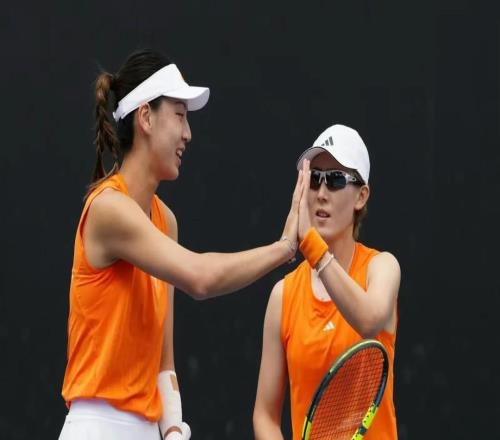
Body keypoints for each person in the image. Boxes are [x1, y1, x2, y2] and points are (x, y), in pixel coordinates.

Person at [58, 49, 308, 440]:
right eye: (179, 115)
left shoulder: (166, 222)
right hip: (96, 428)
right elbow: (200, 278)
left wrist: (173, 428)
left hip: (147, 429)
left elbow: (163, 361)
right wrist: (285, 247)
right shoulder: (108, 208)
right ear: (145, 117)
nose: (188, 133)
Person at [253, 124, 401, 440]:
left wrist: (311, 246)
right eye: (314, 179)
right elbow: (265, 416)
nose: (321, 193)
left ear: (361, 196)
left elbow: (369, 320)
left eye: (335, 180)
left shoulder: (382, 268)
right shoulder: (283, 295)